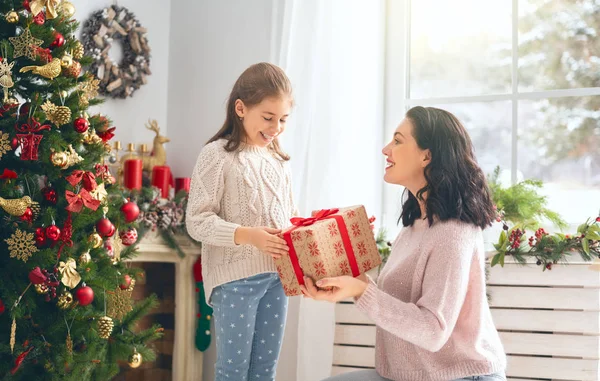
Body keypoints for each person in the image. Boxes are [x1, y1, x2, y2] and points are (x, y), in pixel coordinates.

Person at [301, 106, 507, 381]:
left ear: (427, 155)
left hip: (458, 376)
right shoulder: (416, 225)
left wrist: (362, 291)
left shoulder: (453, 232)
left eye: (398, 141)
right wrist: (348, 284)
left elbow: (433, 330)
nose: (386, 149)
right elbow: (394, 299)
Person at [186, 62, 296, 381]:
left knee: (264, 371)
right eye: (268, 117)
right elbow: (197, 221)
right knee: (233, 372)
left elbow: (288, 220)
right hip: (235, 281)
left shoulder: (280, 162)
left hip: (277, 279)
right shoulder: (216, 155)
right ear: (240, 108)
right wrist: (248, 235)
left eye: (283, 120)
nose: (276, 127)